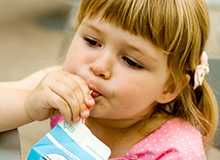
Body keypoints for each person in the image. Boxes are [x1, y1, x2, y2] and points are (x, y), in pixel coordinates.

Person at [0, 0, 219, 159]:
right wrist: (28, 105)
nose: (99, 67)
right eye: (92, 41)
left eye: (131, 61)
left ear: (169, 86)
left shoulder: (176, 151)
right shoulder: (61, 86)